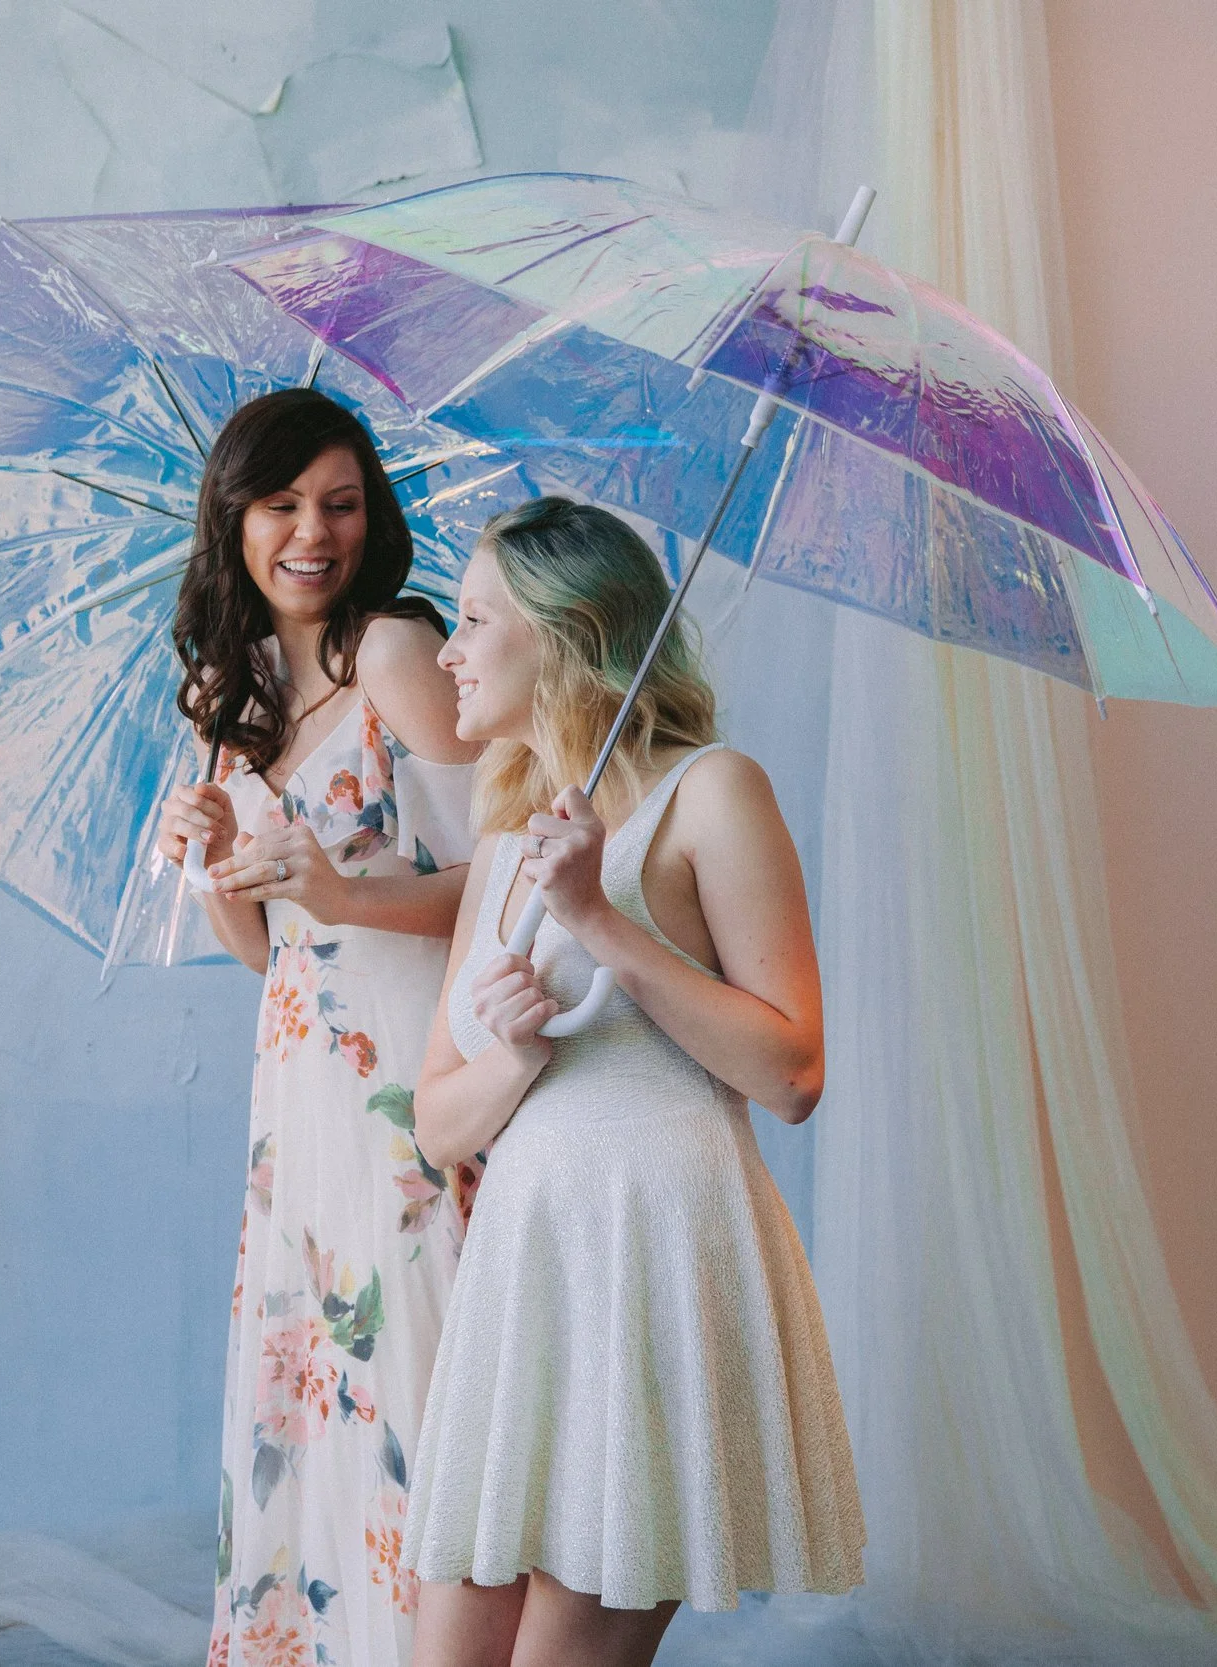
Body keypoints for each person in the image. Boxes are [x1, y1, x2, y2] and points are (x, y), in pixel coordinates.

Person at [403, 498, 864, 1667]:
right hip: (528, 1270)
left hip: (657, 1259)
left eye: (469, 620)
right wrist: (511, 1054)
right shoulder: (505, 841)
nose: (444, 650)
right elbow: (434, 1123)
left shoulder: (714, 791)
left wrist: (601, 920)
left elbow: (792, 1069)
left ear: (560, 635)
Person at [157, 389, 482, 1667]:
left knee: (411, 1380)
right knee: (319, 1390)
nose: (313, 532)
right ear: (233, 519)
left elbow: (500, 885)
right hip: (298, 1098)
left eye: (340, 503)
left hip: (415, 1071)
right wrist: (224, 858)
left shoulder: (395, 651)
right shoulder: (221, 697)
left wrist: (339, 891)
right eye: (283, 504)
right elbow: (271, 955)